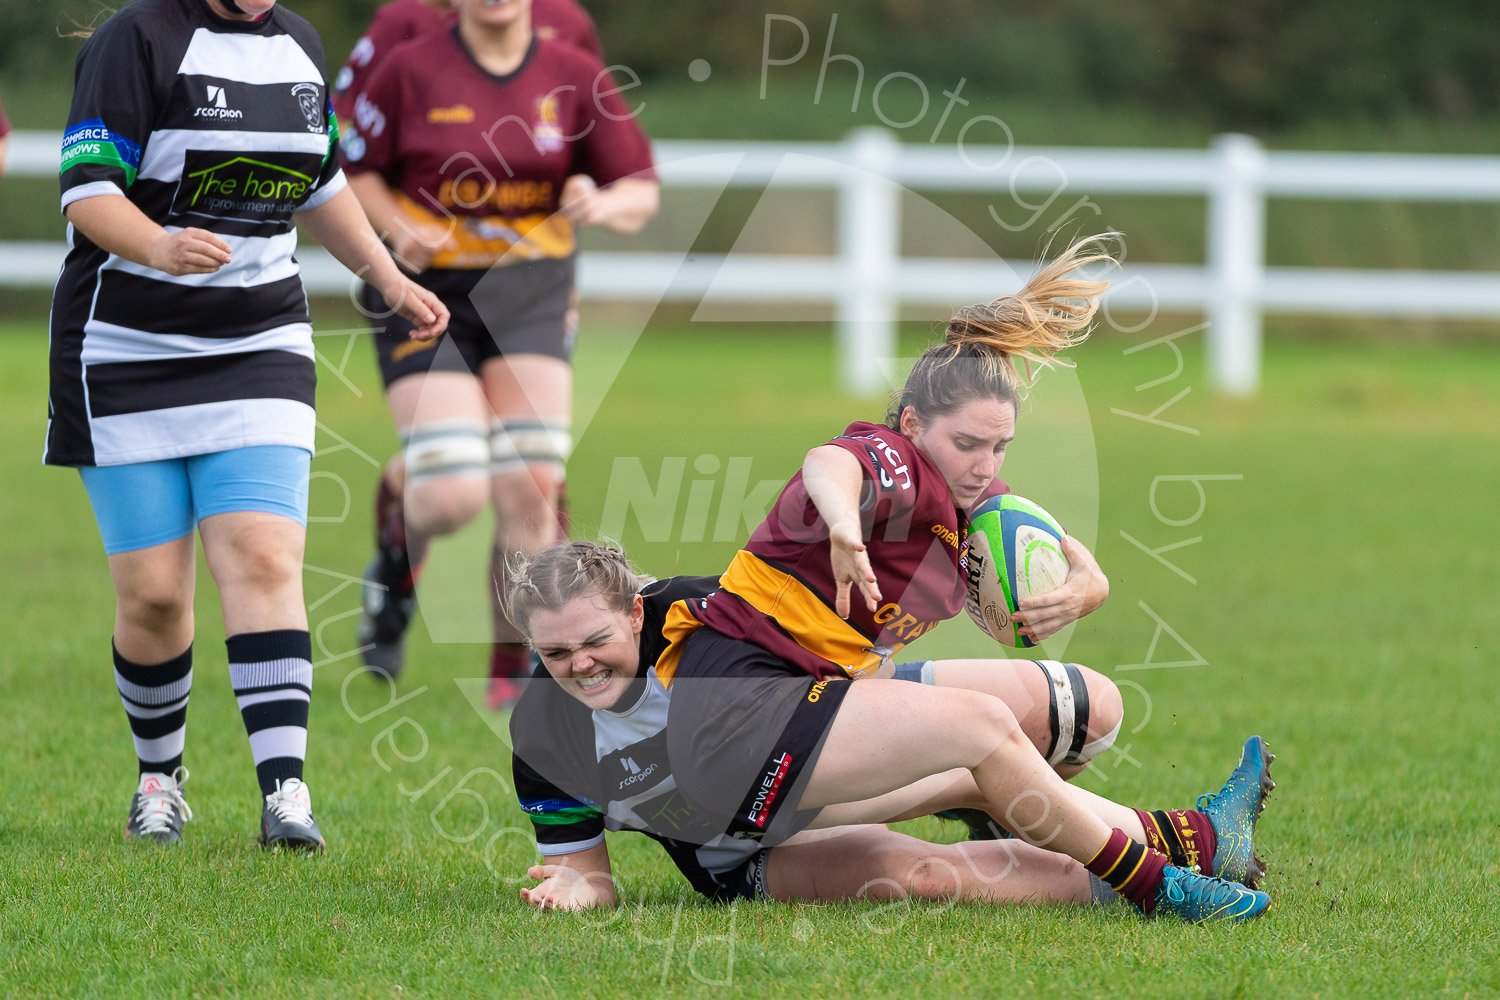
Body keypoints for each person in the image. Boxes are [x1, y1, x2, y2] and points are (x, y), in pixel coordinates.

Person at [50, 0, 449, 849]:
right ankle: (160, 778)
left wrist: (388, 276)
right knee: (155, 596)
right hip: (125, 348)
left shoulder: (300, 44)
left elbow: (323, 182)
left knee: (266, 558)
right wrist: (159, 245)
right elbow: (87, 192)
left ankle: (285, 794)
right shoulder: (138, 39)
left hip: (260, 343)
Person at [506, 542, 1276, 921]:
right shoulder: (546, 736)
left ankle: (1184, 844)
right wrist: (577, 887)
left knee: (1084, 706)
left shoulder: (699, 615)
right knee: (930, 874)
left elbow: (837, 644)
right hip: (741, 848)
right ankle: (1181, 856)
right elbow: (592, 877)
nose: (578, 666)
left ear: (635, 612)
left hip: (814, 741)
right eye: (555, 652)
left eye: (593, 641)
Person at [341, 0, 658, 707]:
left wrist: (595, 201)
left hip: (531, 292)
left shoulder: (571, 62)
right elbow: (352, 169)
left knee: (531, 485)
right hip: (425, 290)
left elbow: (636, 188)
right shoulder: (407, 62)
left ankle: (516, 668)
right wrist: (396, 227)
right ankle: (399, 548)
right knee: (452, 491)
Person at [331, 0, 601, 125]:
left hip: (539, 222)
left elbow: (592, 119)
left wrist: (585, 183)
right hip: (421, 219)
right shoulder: (403, 20)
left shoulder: (565, 19)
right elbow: (343, 120)